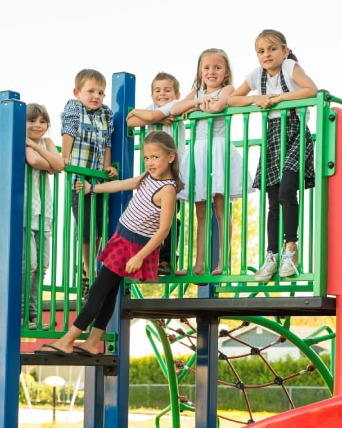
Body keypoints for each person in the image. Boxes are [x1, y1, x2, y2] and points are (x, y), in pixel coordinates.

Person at [34, 131, 182, 356]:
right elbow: (124, 184)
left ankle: (68, 340)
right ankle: (92, 343)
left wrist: (139, 256)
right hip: (122, 238)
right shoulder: (148, 177)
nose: (150, 162)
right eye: (146, 158)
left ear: (170, 157)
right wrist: (93, 189)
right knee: (109, 291)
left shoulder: (168, 189)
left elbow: (164, 230)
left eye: (155, 157)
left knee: (97, 290)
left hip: (132, 247)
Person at [229, 29, 319, 282]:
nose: (267, 54)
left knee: (286, 190)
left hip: (295, 133)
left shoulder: (290, 67)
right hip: (272, 137)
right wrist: (258, 98)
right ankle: (272, 255)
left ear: (285, 51)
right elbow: (233, 99)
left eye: (272, 49)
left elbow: (311, 90)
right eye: (261, 51)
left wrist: (278, 98)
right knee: (272, 200)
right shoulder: (256, 75)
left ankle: (291, 247)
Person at [169, 48, 247, 276]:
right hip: (199, 153)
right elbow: (174, 109)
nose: (211, 72)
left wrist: (197, 106)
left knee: (221, 210)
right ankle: (199, 263)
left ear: (225, 72)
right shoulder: (197, 92)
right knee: (200, 212)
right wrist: (196, 102)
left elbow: (219, 106)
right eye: (207, 67)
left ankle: (224, 261)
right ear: (200, 71)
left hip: (218, 150)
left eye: (217, 67)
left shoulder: (228, 89)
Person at [61, 68, 117, 299]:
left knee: (100, 230)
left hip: (98, 182)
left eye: (101, 92)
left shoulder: (106, 113)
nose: (96, 96)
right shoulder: (74, 108)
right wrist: (64, 157)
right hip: (79, 181)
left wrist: (107, 167)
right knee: (86, 230)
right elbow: (69, 131)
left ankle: (87, 269)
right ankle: (87, 271)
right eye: (90, 91)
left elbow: (106, 142)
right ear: (77, 92)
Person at [126, 72, 184, 276]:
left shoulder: (177, 107)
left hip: (171, 175)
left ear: (177, 94)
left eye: (167, 90)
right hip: (153, 177)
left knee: (170, 220)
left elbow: (136, 117)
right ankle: (151, 258)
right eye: (157, 91)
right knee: (151, 218)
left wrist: (161, 114)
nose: (162, 94)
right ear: (152, 96)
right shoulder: (151, 110)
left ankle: (166, 259)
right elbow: (129, 120)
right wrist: (155, 115)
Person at [24, 103, 65, 330]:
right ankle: (22, 312)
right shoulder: (19, 140)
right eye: (32, 121)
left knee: (43, 264)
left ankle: (33, 313)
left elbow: (59, 165)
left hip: (44, 211)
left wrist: (39, 148)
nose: (38, 125)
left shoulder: (46, 143)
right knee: (29, 263)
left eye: (42, 121)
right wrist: (46, 158)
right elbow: (35, 162)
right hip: (25, 210)